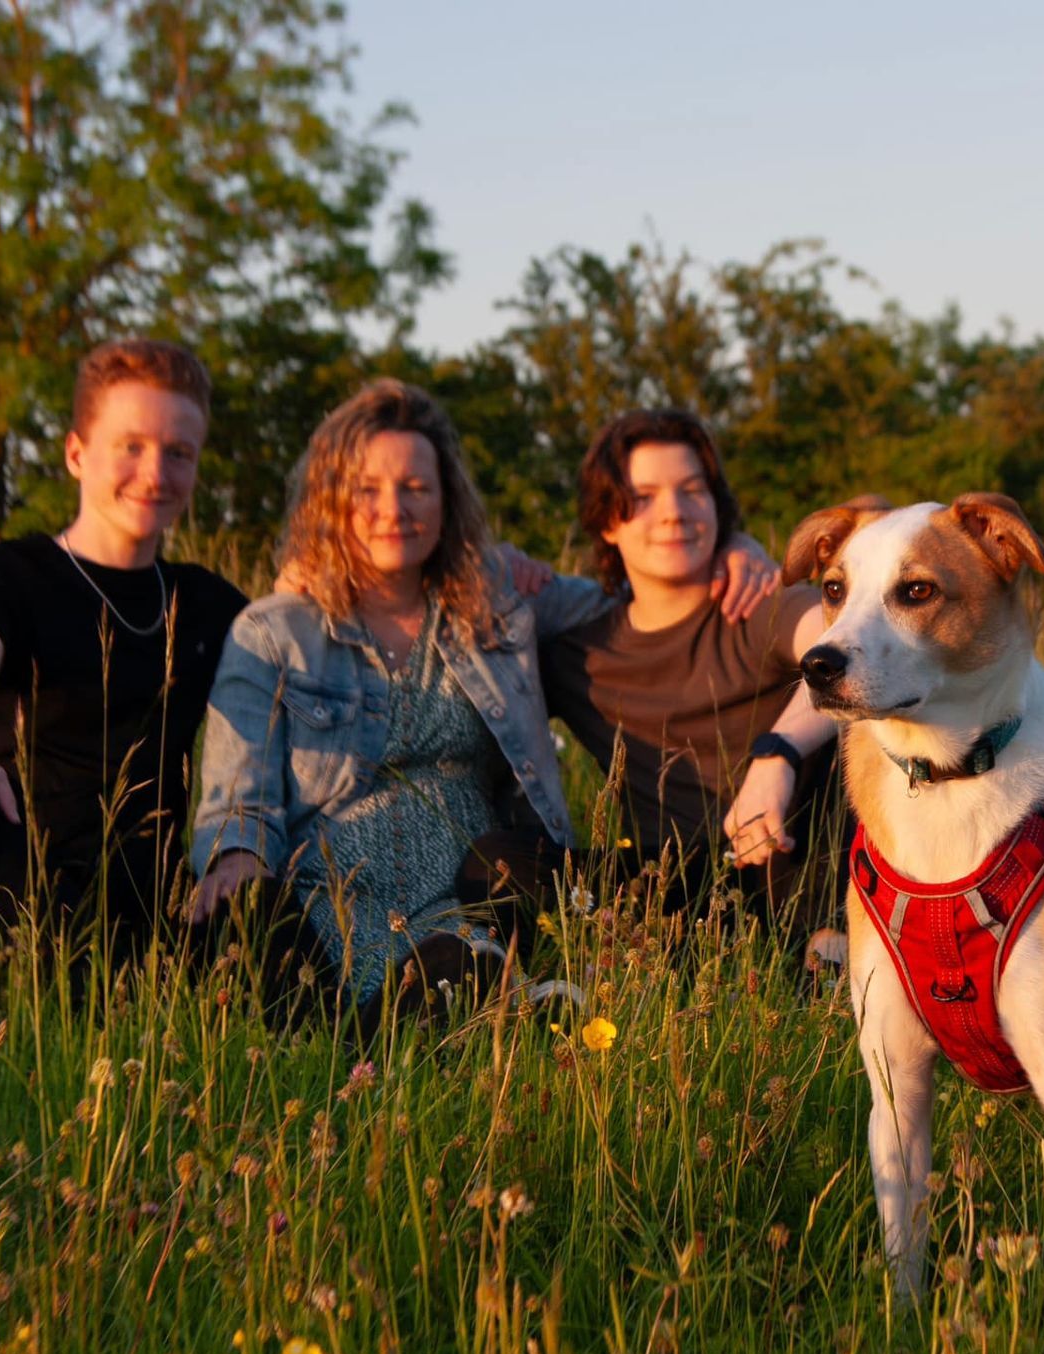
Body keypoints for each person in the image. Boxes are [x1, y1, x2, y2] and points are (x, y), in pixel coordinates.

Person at [186, 381, 776, 1029]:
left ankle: (459, 999)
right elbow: (237, 798)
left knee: (485, 939)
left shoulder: (497, 597)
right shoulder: (273, 630)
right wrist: (238, 861)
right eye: (367, 490)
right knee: (239, 923)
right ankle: (400, 1020)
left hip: (477, 883)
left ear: (446, 501)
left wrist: (731, 549)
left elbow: (637, 605)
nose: (394, 509)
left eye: (416, 488)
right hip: (331, 890)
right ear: (329, 500)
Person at [0, 339, 247, 949]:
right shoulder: (7, 574)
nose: (155, 474)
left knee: (267, 918)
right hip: (16, 865)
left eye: (178, 454)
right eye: (131, 447)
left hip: (151, 887)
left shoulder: (209, 603)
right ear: (76, 453)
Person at [531, 409, 843, 922]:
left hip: (789, 862)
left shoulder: (758, 601)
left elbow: (842, 649)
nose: (675, 513)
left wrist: (777, 753)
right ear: (609, 521)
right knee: (498, 861)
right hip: (674, 890)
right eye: (645, 498)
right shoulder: (578, 656)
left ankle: (825, 945)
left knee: (855, 735)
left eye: (693, 490)